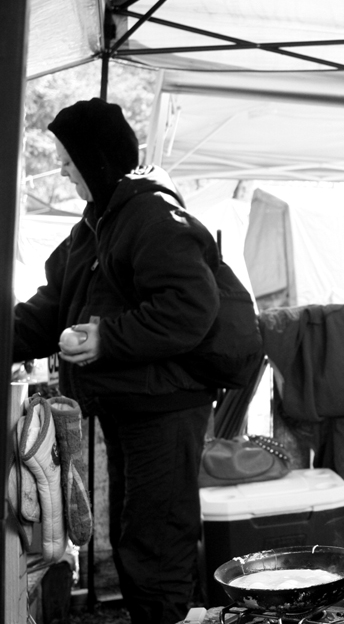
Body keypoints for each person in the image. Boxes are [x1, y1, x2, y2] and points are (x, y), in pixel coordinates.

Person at [13, 98, 221, 624]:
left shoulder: (152, 215)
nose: (61, 169)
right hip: (131, 407)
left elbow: (190, 308)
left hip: (167, 408)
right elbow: (47, 310)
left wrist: (107, 338)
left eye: (68, 159)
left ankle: (167, 618)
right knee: (133, 539)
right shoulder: (95, 226)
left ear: (97, 161)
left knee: (155, 542)